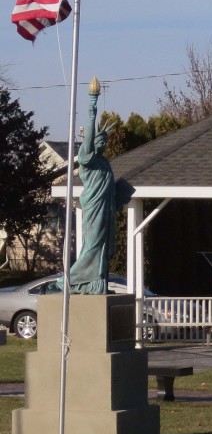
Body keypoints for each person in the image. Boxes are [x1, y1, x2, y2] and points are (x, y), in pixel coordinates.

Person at [67, 81, 135, 294]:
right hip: (93, 209)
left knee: (104, 247)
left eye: (104, 142)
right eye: (99, 141)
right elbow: (86, 144)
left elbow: (110, 187)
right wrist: (92, 111)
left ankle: (98, 283)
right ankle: (74, 279)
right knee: (93, 245)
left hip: (105, 209)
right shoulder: (88, 161)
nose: (103, 145)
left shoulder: (105, 163)